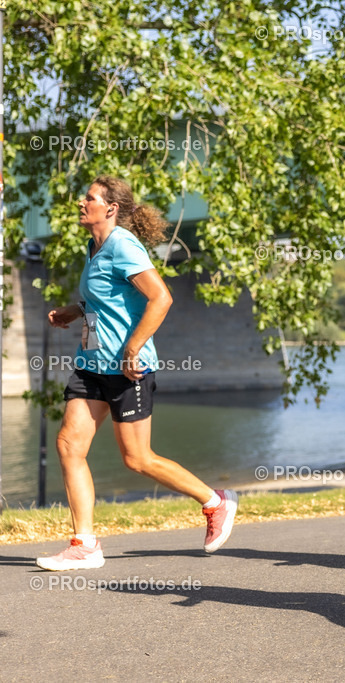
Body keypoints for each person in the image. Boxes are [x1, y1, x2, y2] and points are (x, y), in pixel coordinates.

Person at [35, 176, 238, 571]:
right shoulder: (93, 246)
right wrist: (74, 311)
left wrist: (132, 349)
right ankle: (85, 545)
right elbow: (104, 296)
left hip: (128, 370)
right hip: (91, 364)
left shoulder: (123, 244)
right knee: (68, 445)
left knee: (137, 459)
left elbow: (161, 297)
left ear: (110, 208)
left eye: (89, 198)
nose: (81, 202)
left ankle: (216, 501)